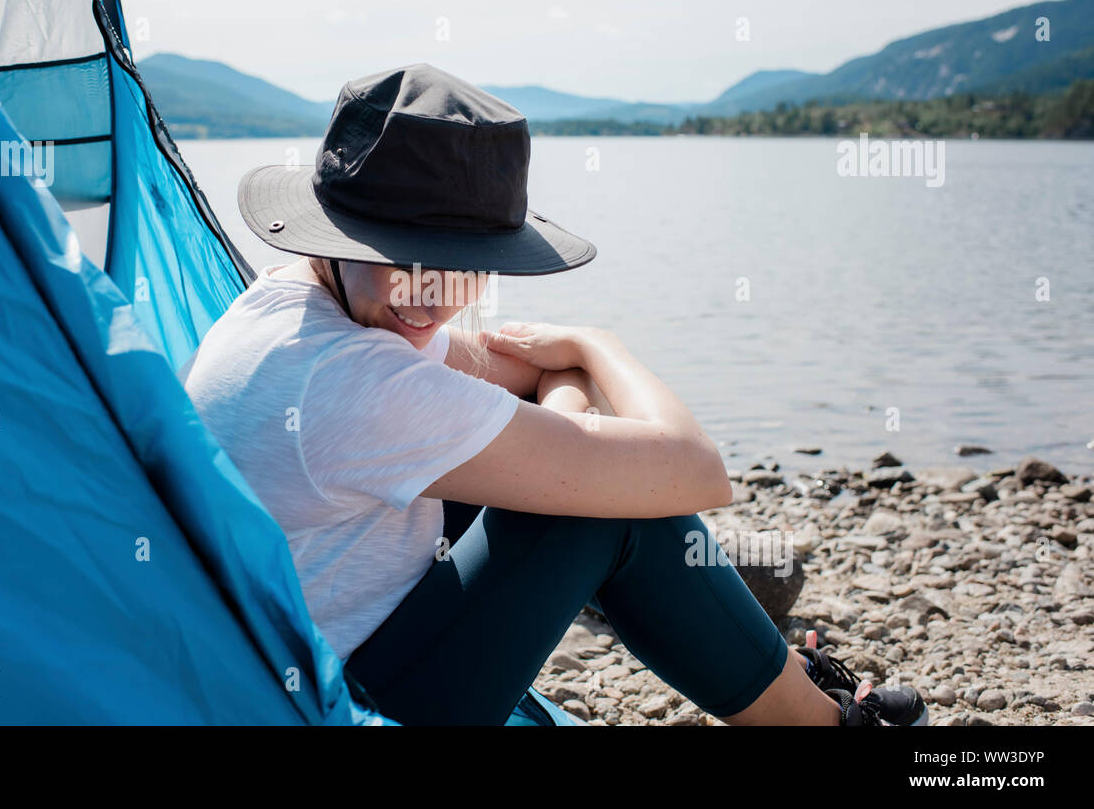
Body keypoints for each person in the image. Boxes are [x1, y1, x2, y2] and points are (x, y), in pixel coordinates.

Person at [180, 63, 927, 726]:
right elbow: (696, 467)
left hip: (271, 670)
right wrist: (595, 345)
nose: (427, 295)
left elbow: (518, 378)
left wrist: (556, 427)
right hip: (334, 704)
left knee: (566, 479)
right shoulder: (351, 380)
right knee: (605, 518)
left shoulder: (296, 302)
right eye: (398, 258)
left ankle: (785, 682)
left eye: (460, 265)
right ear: (340, 238)